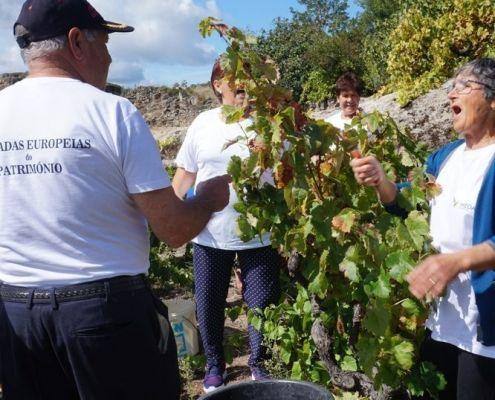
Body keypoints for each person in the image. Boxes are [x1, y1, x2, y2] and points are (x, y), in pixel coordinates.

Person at [0, 1, 231, 399]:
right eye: (105, 44)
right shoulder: (112, 112)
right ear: (76, 42)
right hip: (102, 320)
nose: (108, 58)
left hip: (17, 318)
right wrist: (208, 199)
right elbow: (173, 229)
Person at [350, 58, 495, 400]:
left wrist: (457, 261)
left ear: (492, 99)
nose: (451, 95)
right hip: (442, 322)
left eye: (464, 86)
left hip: (485, 331)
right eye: (451, 87)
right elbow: (406, 203)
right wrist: (380, 179)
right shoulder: (446, 157)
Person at [172, 57, 281, 393]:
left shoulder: (265, 123)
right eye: (235, 76)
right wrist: (170, 218)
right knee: (209, 301)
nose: (243, 83)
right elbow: (185, 174)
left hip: (259, 234)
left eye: (248, 75)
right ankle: (215, 366)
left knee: (261, 304)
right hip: (209, 234)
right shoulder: (202, 125)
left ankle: (259, 365)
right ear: (218, 85)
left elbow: (284, 174)